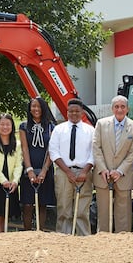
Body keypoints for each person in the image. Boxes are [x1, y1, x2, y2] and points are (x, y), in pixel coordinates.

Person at [92, 95, 133, 233]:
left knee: (123, 214)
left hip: (123, 176)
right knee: (103, 212)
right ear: (112, 108)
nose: (120, 109)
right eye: (117, 106)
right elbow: (96, 147)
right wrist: (103, 169)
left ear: (127, 109)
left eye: (123, 106)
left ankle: (123, 239)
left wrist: (119, 171)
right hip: (103, 175)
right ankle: (104, 238)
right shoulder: (101, 124)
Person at [48, 98, 94, 236]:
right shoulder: (58, 129)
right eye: (71, 111)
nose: (74, 113)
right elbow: (53, 152)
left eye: (77, 111)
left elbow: (94, 152)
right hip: (63, 172)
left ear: (82, 112)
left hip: (84, 173)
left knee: (82, 209)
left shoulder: (90, 130)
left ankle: (83, 238)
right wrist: (68, 172)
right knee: (64, 207)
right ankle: (64, 237)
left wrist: (85, 171)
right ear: (67, 112)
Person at [19, 97, 56, 231]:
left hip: (46, 167)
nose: (36, 109)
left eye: (39, 106)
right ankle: (27, 232)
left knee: (42, 203)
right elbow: (24, 148)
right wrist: (29, 170)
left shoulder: (51, 127)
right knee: (27, 204)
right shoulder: (24, 126)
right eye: (33, 106)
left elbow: (52, 149)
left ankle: (40, 232)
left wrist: (44, 170)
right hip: (29, 166)